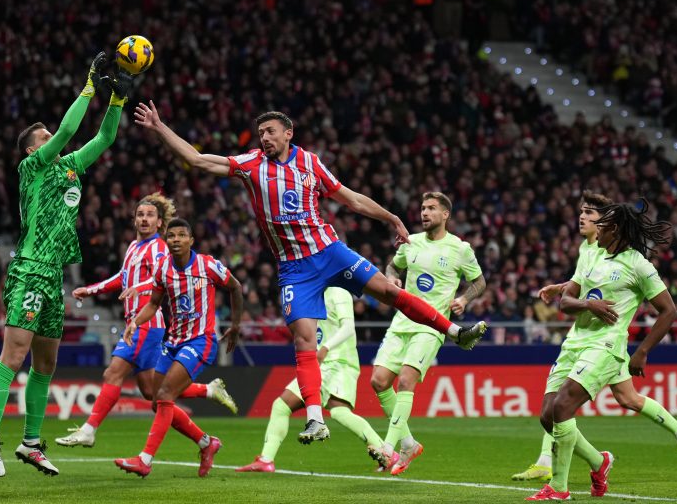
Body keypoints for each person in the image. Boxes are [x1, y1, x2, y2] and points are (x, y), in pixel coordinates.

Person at [133, 103, 487, 445]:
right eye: (260, 133)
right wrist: (160, 128)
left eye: (270, 132)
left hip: (330, 252)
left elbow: (350, 198)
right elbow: (197, 159)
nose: (264, 138)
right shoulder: (251, 164)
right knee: (304, 340)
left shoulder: (309, 163)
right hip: (294, 270)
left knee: (388, 291)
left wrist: (390, 217)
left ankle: (456, 333)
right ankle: (315, 419)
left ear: (288, 133)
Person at [0, 53, 132, 478]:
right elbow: (68, 129)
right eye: (44, 136)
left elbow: (103, 139)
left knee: (46, 365)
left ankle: (30, 443)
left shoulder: (70, 168)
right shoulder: (33, 167)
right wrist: (89, 84)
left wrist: (116, 100)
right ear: (34, 147)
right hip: (29, 267)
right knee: (15, 354)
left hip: (54, 278)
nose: (54, 137)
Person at [514, 192, 677, 485]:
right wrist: (568, 291)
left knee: (564, 407)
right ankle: (600, 460)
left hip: (606, 345)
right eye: (584, 213)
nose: (586, 220)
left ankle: (551, 469)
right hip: (578, 339)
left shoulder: (635, 263)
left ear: (612, 226)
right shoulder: (590, 252)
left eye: (593, 215)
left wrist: (643, 351)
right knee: (625, 398)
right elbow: (585, 286)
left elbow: (667, 310)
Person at [55, 194, 237, 449]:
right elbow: (123, 277)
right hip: (139, 323)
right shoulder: (133, 246)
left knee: (113, 372)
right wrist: (92, 290)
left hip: (146, 324)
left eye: (150, 215)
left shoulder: (160, 247)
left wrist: (138, 288)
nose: (144, 219)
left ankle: (89, 429)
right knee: (154, 393)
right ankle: (206, 433)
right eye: (140, 215)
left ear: (159, 222)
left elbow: (159, 278)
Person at [114, 218, 243, 478]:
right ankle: (207, 442)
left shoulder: (207, 265)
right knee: (155, 399)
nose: (175, 239)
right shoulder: (163, 269)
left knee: (164, 395)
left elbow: (235, 287)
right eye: (171, 235)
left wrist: (236, 325)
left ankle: (144, 460)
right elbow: (153, 304)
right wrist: (134, 323)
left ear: (191, 240)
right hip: (172, 342)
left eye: (181, 235)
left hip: (200, 341)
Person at [371, 191, 487, 475]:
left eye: (431, 208)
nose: (424, 213)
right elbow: (392, 265)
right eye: (423, 208)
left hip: (431, 327)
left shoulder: (460, 248)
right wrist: (391, 276)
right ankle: (409, 444)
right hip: (402, 322)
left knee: (406, 381)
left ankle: (388, 447)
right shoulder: (410, 242)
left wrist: (464, 299)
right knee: (378, 381)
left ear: (445, 215)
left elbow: (479, 281)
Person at [236, 287, 390, 473]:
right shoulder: (313, 294)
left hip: (339, 361)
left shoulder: (339, 291)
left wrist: (324, 347)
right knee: (282, 405)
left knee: (339, 412)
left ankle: (384, 451)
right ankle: (266, 460)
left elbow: (348, 328)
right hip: (320, 363)